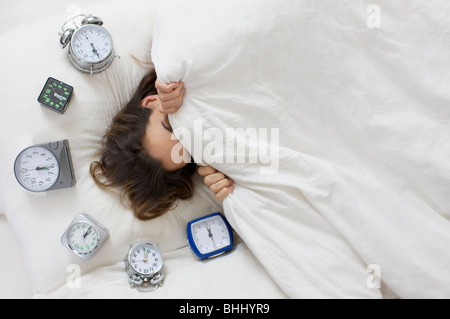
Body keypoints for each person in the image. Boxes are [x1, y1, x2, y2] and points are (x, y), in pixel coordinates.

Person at [90, 68, 234, 220]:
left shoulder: (174, 63)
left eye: (172, 126)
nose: (195, 131)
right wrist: (231, 172)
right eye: (189, 148)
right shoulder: (219, 156)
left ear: (151, 102)